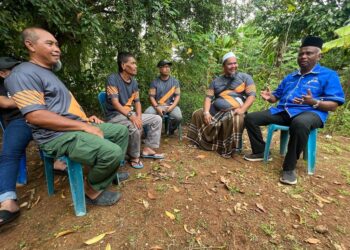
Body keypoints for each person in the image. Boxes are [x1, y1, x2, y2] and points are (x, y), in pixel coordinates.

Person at [4, 28, 129, 218]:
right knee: (112, 152)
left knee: (121, 131)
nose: (57, 48)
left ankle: (108, 174)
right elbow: (35, 116)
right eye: (50, 44)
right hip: (55, 136)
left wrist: (86, 120)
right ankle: (91, 191)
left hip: (73, 126)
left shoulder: (49, 73)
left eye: (56, 44)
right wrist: (84, 126)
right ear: (30, 45)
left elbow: (63, 108)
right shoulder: (23, 74)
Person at [244, 36, 345, 185]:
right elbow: (275, 97)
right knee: (250, 118)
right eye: (301, 53)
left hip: (311, 113)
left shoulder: (328, 75)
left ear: (319, 56)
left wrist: (314, 102)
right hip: (284, 111)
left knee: (300, 123)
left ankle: (289, 168)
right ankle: (260, 151)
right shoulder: (290, 77)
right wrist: (269, 97)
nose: (303, 56)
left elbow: (334, 105)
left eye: (309, 53)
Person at [187, 52, 256, 158]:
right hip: (216, 110)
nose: (233, 66)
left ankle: (228, 148)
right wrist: (206, 112)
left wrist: (242, 109)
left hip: (236, 110)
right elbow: (208, 98)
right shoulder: (216, 81)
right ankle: (199, 142)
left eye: (235, 63)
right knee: (198, 113)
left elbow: (252, 96)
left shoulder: (245, 77)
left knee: (236, 119)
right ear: (223, 66)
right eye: (230, 64)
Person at [106, 52, 164, 169]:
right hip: (115, 116)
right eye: (132, 63)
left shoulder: (134, 82)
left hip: (129, 114)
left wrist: (139, 116)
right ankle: (134, 156)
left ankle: (148, 148)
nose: (135, 66)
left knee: (156, 118)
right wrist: (132, 117)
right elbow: (115, 103)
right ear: (123, 65)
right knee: (134, 126)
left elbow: (137, 102)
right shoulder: (113, 79)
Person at [144, 60, 182, 134]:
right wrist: (157, 107)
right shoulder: (154, 82)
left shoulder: (175, 82)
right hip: (157, 105)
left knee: (178, 117)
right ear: (160, 69)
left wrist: (172, 106)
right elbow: (151, 97)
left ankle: (171, 130)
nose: (167, 68)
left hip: (171, 105)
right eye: (165, 67)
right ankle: (148, 133)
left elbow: (177, 96)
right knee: (147, 113)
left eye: (168, 67)